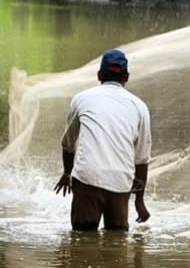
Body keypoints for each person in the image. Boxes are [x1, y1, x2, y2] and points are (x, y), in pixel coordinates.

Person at [54, 49, 152, 231]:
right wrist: (139, 200)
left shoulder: (81, 99)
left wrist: (67, 173)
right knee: (117, 241)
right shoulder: (139, 107)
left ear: (99, 75)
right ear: (127, 77)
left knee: (81, 240)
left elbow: (68, 143)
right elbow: (142, 159)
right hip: (120, 181)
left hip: (87, 178)